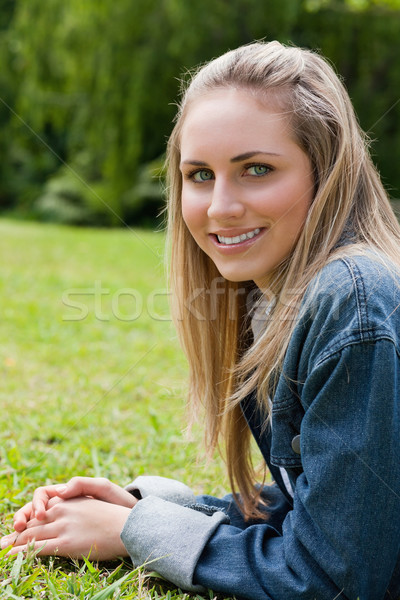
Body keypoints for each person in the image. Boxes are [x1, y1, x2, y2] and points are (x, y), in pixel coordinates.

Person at [2, 40, 400, 600]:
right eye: (200, 175)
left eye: (256, 169)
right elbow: (318, 512)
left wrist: (134, 532)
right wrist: (152, 508)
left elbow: (335, 577)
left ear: (327, 170)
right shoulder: (263, 297)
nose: (220, 207)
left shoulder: (352, 298)